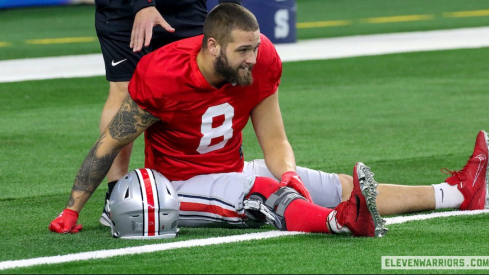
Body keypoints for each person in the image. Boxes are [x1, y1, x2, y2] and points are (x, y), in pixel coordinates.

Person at [49, 3, 488, 237]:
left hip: (232, 169)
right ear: (212, 47)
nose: (253, 58)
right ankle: (340, 223)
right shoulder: (161, 74)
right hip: (179, 186)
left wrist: (291, 174)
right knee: (263, 193)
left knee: (335, 185)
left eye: (256, 47)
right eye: (243, 50)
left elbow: (275, 141)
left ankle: (456, 193)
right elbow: (110, 142)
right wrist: (73, 209)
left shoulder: (261, 64)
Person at [94, 0, 241, 225]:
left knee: (202, 74)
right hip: (123, 8)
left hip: (184, 5)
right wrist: (143, 5)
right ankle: (116, 193)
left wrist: (233, 10)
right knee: (124, 89)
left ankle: (201, 177)